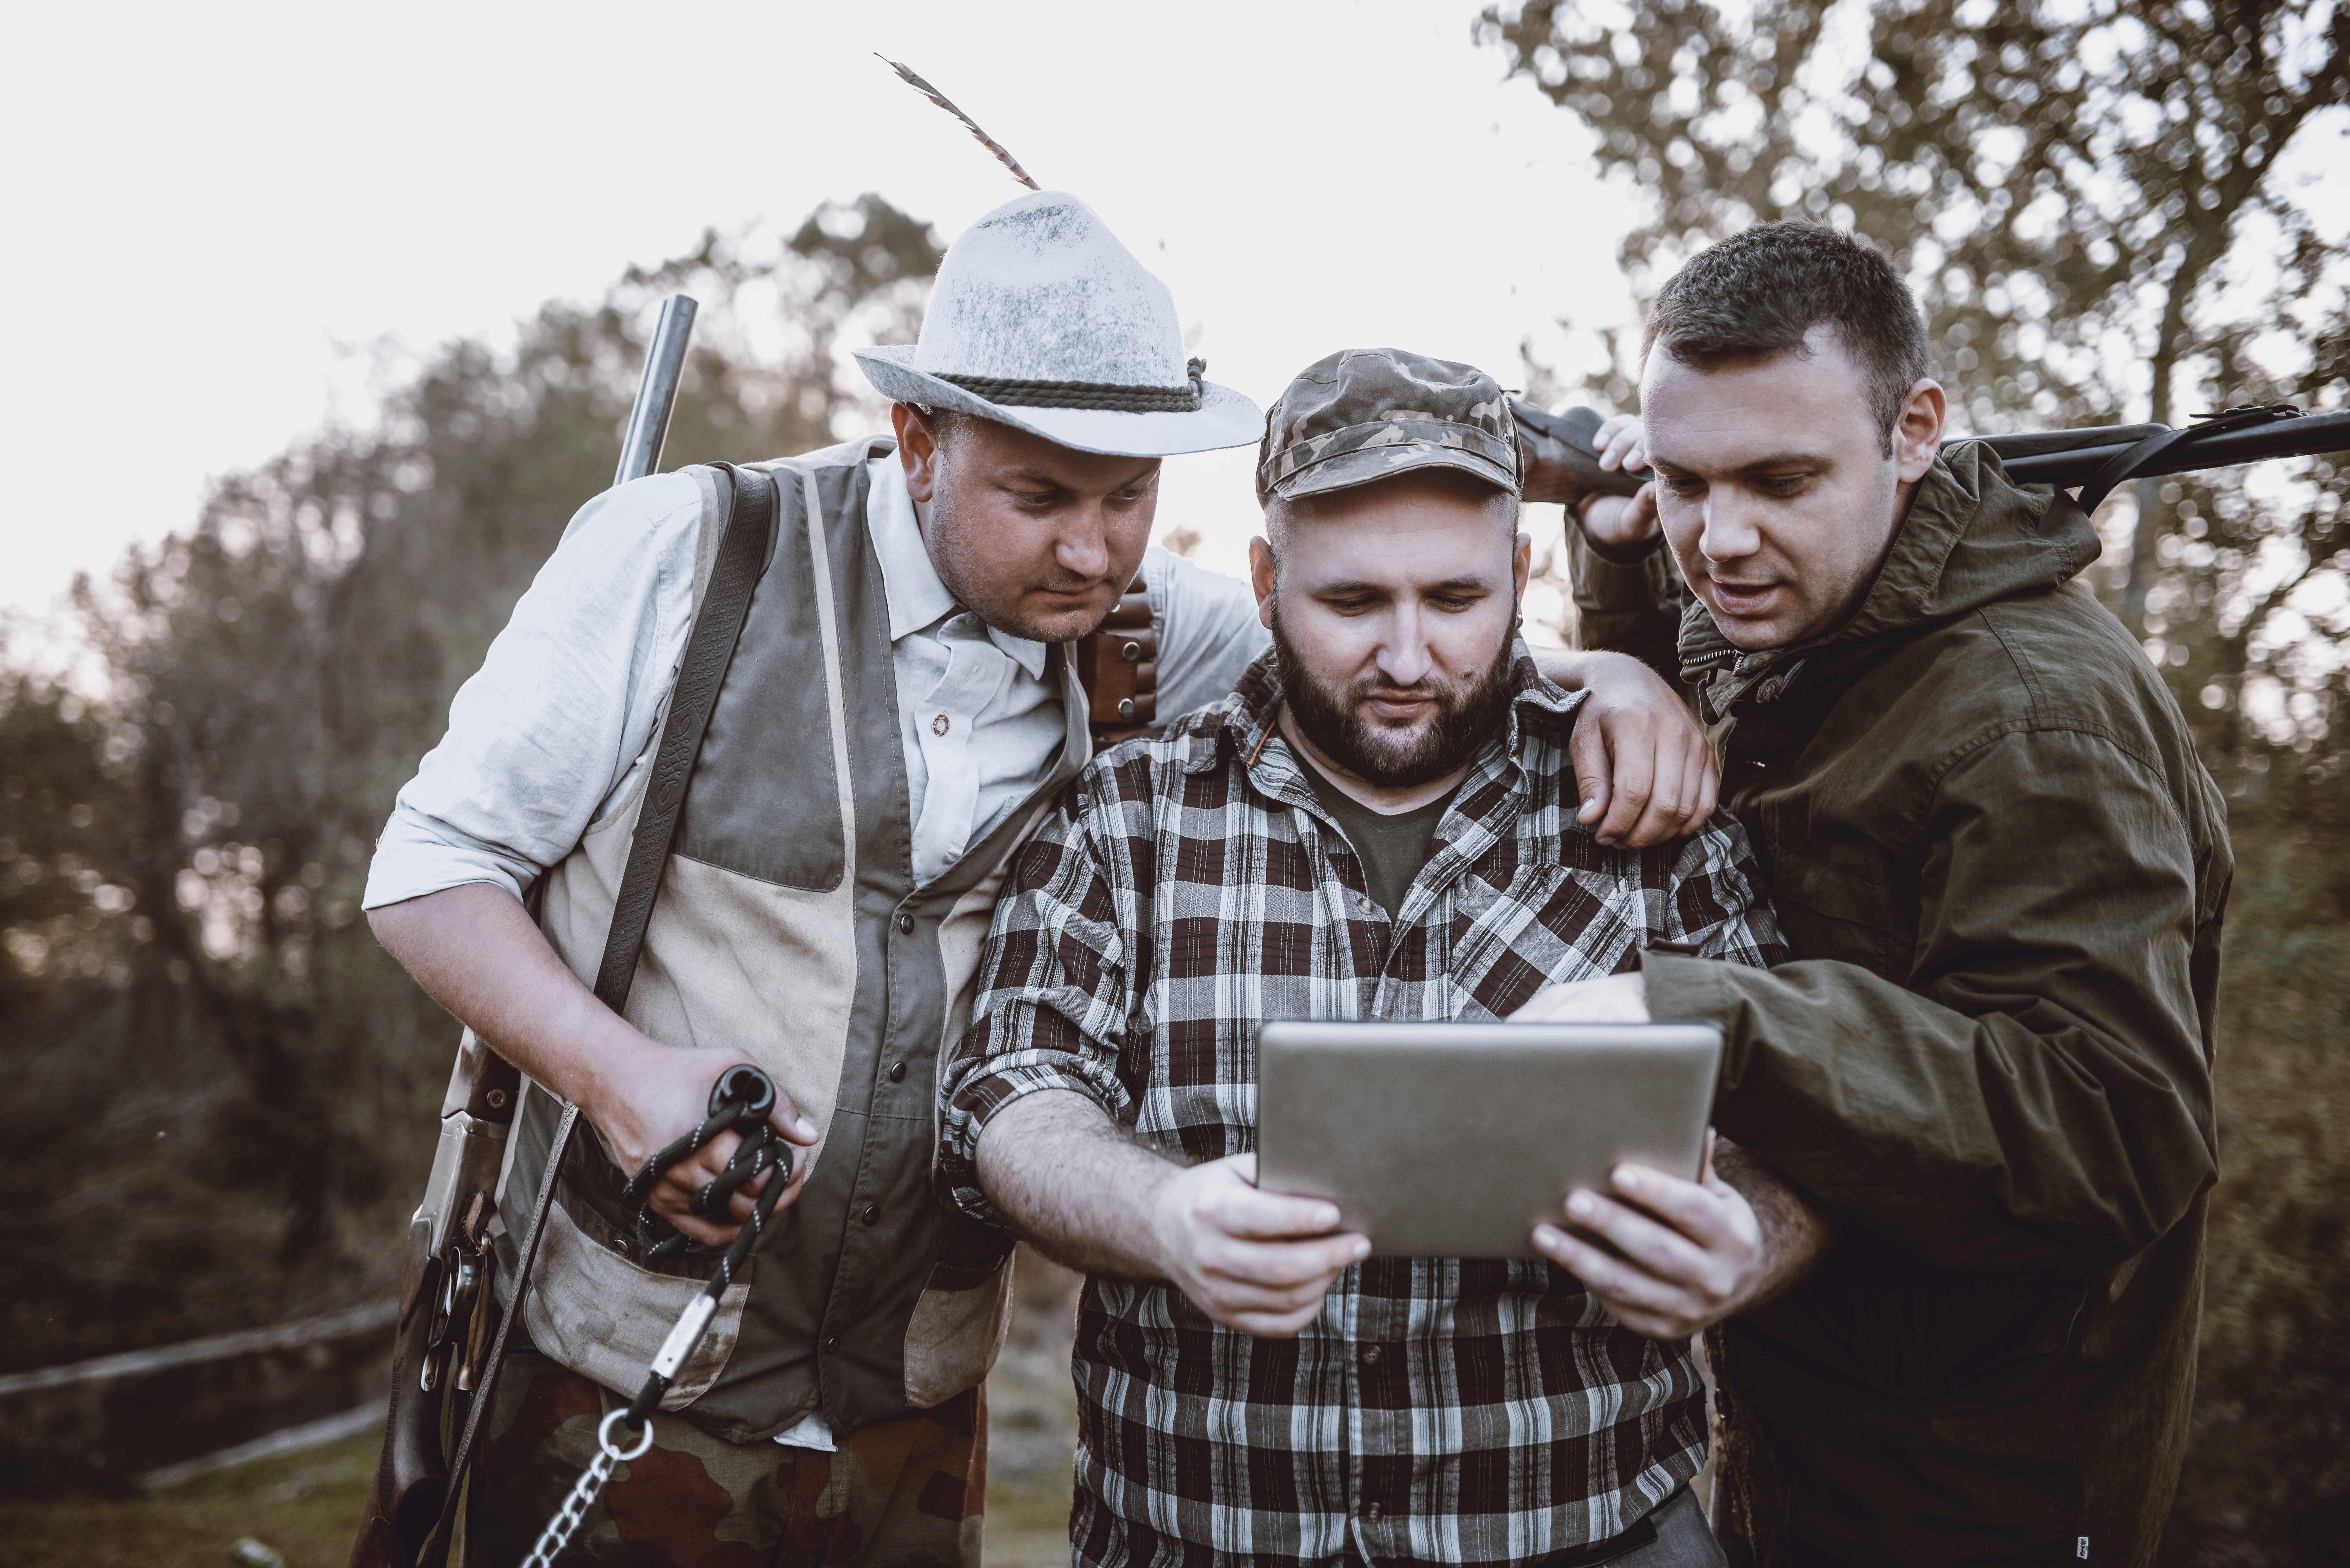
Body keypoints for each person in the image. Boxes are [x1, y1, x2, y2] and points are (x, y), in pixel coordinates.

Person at [361, 193, 1716, 1564]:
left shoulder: (1157, 614)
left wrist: (1608, 674)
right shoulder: (683, 552)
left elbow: (1394, 650)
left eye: (1130, 496)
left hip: (915, 1390)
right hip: (624, 1361)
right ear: (918, 446)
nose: (1091, 550)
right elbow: (429, 868)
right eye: (1041, 496)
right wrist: (615, 1076)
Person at [939, 348, 1832, 1568]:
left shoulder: (1652, 809)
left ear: (1521, 576)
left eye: (1456, 602)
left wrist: (1751, 1242)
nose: (1408, 659)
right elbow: (1005, 1091)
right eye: (1353, 605)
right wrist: (1163, 1215)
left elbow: (1811, 1117)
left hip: (1590, 1530)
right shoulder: (1129, 813)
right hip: (1198, 1535)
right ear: (1264, 581)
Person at [1523, 222, 2230, 1566]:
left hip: (1976, 1486)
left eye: (1779, 479)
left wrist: (1711, 1018)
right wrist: (1619, 573)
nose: (1719, 540)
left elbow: (2109, 1125)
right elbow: (1704, 793)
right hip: (1795, 1417)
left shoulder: (2033, 717)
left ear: (1913, 431)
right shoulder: (1819, 622)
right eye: (1684, 480)